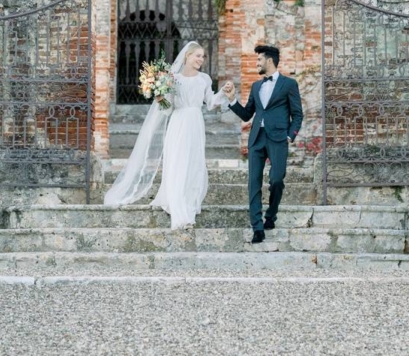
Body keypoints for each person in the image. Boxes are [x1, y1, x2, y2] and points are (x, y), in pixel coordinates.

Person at [103, 41, 230, 229]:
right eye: (198, 56)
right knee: (178, 163)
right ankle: (179, 209)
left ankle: (189, 203)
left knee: (194, 164)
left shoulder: (204, 79)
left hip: (195, 123)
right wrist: (160, 99)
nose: (201, 60)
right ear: (187, 56)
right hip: (178, 123)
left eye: (203, 57)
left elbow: (210, 103)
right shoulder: (173, 78)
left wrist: (224, 93)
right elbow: (168, 109)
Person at [222, 44, 303, 244]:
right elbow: (248, 114)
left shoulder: (289, 84)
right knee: (254, 183)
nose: (256, 63)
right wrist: (232, 100)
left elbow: (298, 114)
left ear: (269, 60)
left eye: (259, 60)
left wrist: (290, 135)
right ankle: (257, 227)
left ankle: (271, 215)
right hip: (257, 138)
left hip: (278, 138)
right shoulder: (256, 86)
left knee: (277, 179)